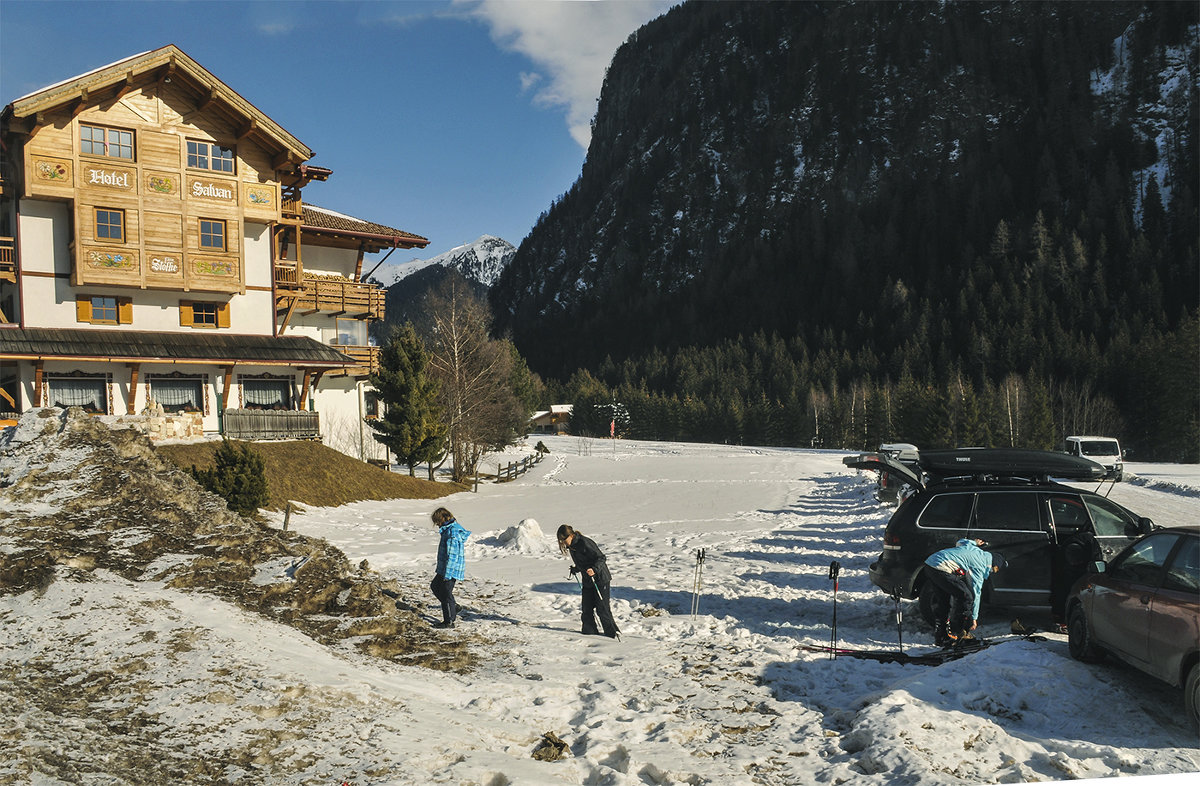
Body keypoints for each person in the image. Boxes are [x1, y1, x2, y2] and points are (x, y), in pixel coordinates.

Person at [923, 538, 1006, 646]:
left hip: (930, 564)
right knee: (966, 596)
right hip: (941, 567)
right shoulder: (980, 565)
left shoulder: (975, 550)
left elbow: (961, 542)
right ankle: (962, 632)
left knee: (943, 601)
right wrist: (974, 618)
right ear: (993, 565)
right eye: (995, 570)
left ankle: (942, 636)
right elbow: (975, 592)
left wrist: (974, 542)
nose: (992, 573)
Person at [557, 524, 620, 639]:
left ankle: (612, 635)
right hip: (588, 580)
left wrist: (594, 569)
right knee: (586, 608)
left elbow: (601, 558)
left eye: (564, 539)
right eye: (561, 540)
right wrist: (576, 569)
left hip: (600, 579)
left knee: (602, 608)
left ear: (571, 535)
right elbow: (584, 562)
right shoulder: (572, 547)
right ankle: (589, 634)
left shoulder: (585, 542)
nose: (563, 543)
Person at [430, 507, 470, 628]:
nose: (437, 525)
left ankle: (449, 621)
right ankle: (454, 607)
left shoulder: (452, 533)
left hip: (450, 569)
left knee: (446, 593)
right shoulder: (448, 530)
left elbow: (452, 556)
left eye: (437, 522)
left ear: (443, 518)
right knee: (435, 586)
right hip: (444, 568)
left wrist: (447, 575)